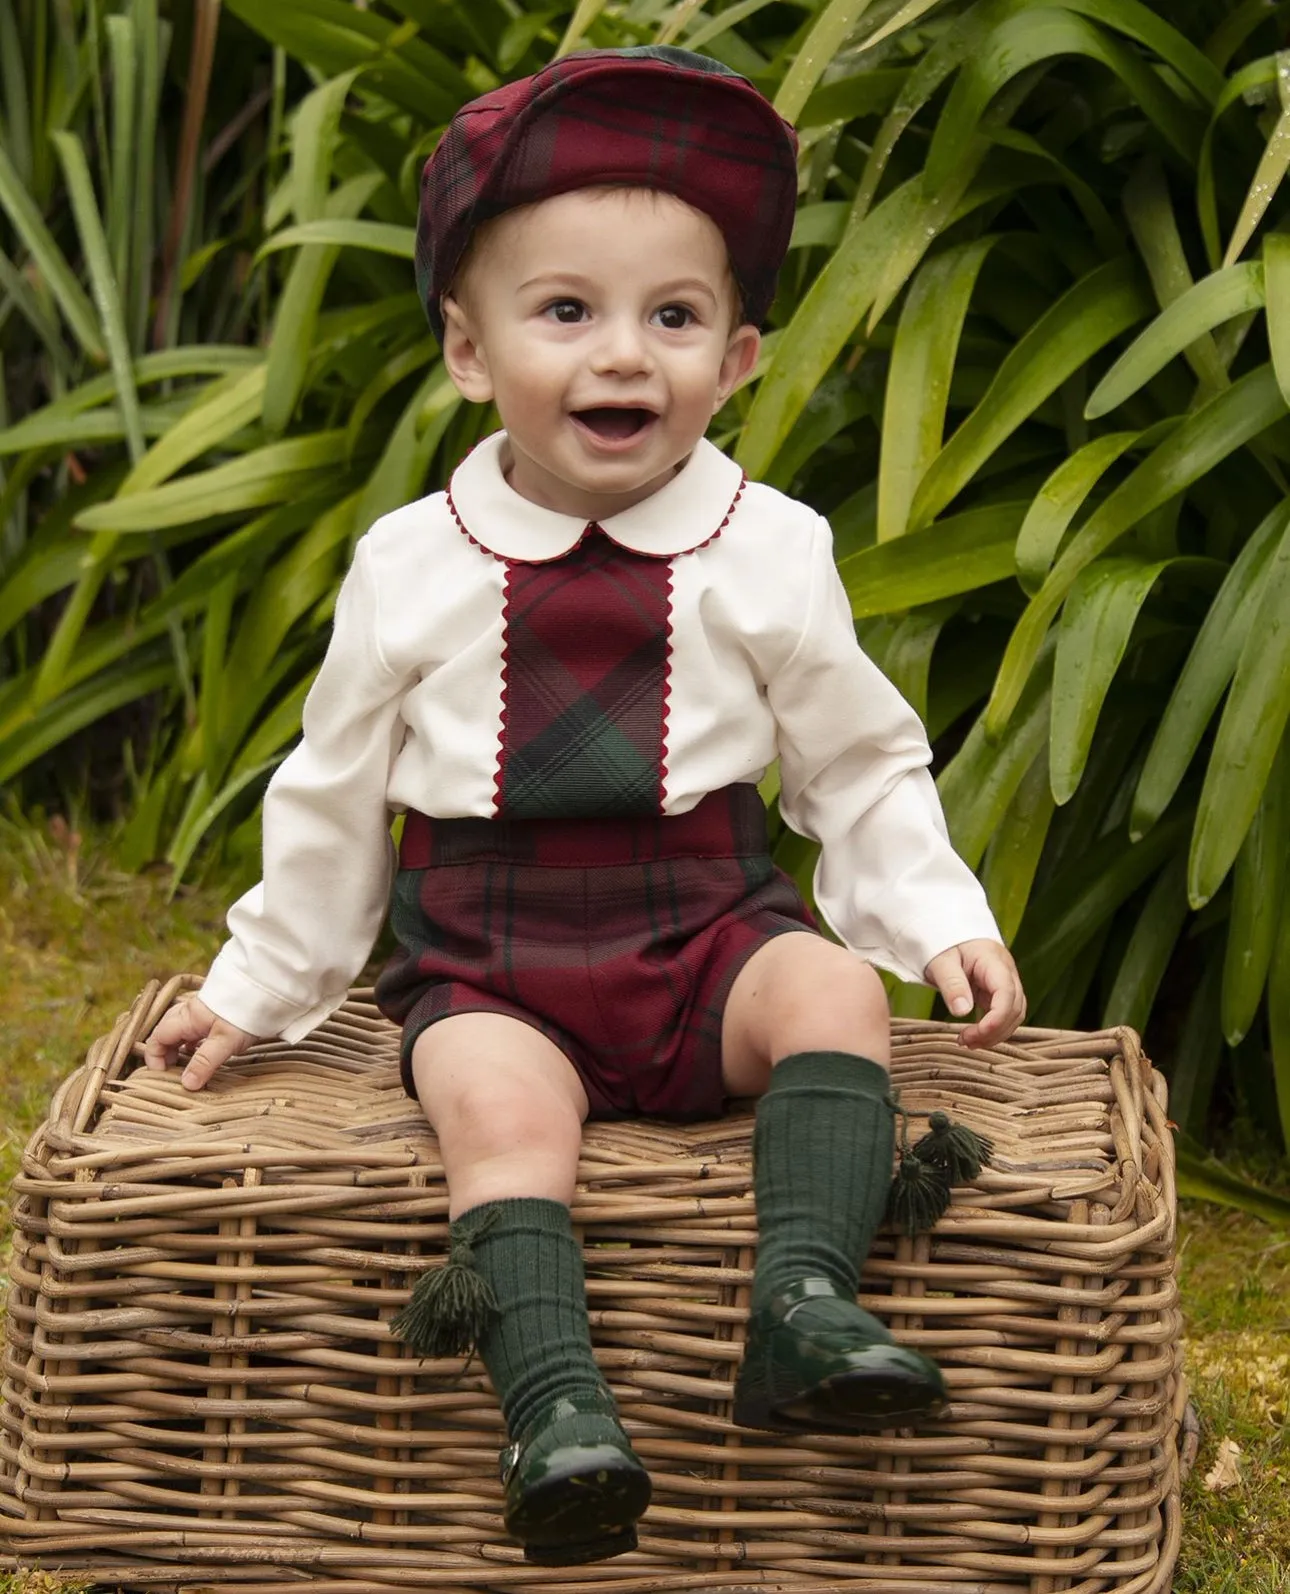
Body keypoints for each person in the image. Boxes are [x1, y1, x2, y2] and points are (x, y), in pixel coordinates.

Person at [143, 45, 1026, 1568]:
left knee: (824, 987)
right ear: (468, 351)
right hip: (492, 957)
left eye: (671, 318)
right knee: (493, 1107)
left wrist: (937, 916)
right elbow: (334, 792)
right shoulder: (412, 563)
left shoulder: (771, 548)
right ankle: (556, 1407)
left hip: (706, 926)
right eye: (566, 312)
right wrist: (255, 986)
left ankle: (803, 1301)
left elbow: (853, 758)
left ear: (737, 358)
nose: (624, 357)